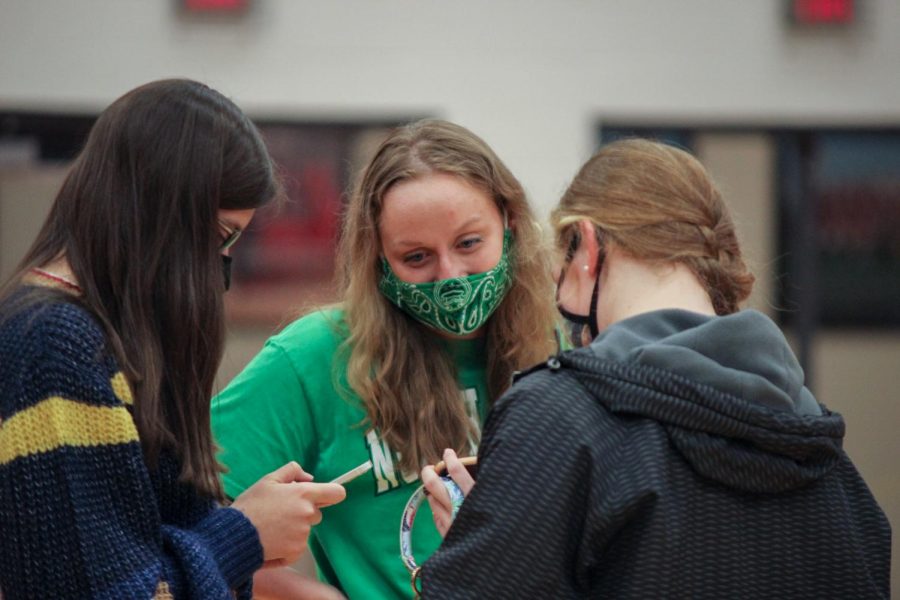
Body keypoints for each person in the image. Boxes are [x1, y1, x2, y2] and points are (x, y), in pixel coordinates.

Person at [420, 138, 892, 599]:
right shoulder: (839, 478)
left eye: (558, 279)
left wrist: (484, 558)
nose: (574, 332)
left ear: (586, 244)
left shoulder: (556, 417)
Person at [0, 79, 346, 600]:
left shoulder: (94, 332)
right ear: (156, 210)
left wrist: (246, 526)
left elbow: (133, 555)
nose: (219, 269)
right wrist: (244, 534)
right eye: (217, 236)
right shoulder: (56, 344)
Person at [211, 119, 559, 599]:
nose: (450, 276)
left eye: (468, 243)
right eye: (416, 258)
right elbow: (191, 521)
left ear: (511, 223)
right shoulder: (315, 357)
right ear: (378, 260)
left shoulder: (562, 342)